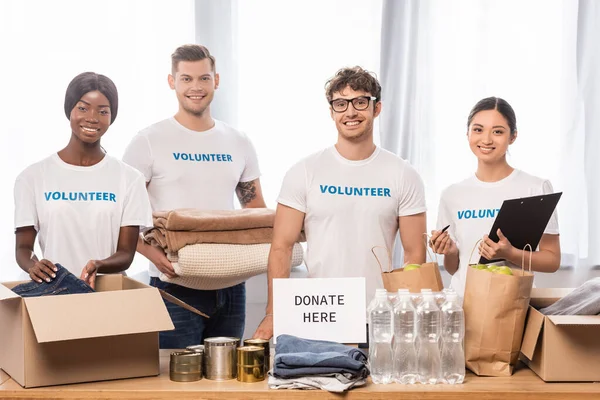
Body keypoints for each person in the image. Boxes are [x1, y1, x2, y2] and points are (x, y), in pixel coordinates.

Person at [253, 66, 427, 340]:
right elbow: (281, 247)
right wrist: (273, 313)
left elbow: (414, 255)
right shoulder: (305, 171)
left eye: (360, 102)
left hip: (380, 316)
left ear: (376, 108)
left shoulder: (403, 174)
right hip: (321, 312)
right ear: (332, 111)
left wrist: (407, 313)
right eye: (341, 103)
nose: (350, 112)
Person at [123, 44, 266, 348]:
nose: (196, 87)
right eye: (186, 79)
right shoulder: (148, 141)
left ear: (216, 80)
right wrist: (152, 255)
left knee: (224, 381)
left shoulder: (238, 142)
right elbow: (121, 214)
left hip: (231, 286)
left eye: (203, 78)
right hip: (174, 284)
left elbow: (255, 210)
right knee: (174, 384)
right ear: (172, 82)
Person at [14, 72, 151, 289]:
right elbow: (23, 248)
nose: (92, 117)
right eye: (83, 108)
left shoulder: (130, 179)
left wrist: (99, 264)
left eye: (103, 111)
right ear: (69, 110)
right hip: (53, 293)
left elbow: (126, 254)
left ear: (111, 116)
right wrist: (34, 265)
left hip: (109, 293)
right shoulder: (32, 177)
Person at [429, 97, 560, 296]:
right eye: (478, 129)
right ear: (467, 134)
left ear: (513, 136)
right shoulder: (452, 194)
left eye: (498, 131)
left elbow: (552, 261)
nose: (487, 140)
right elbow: (454, 268)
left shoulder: (536, 188)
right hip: (463, 303)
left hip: (512, 303)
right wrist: (451, 250)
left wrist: (511, 254)